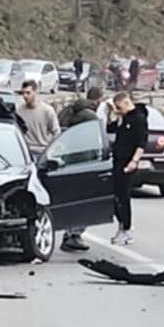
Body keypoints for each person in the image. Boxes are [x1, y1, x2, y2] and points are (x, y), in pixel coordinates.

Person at [58, 86, 105, 253]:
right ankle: (74, 234)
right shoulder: (91, 117)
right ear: (99, 100)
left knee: (71, 199)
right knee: (85, 200)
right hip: (85, 161)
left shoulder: (69, 111)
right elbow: (97, 141)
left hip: (68, 160)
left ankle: (68, 233)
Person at [106, 91, 148, 246]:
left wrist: (134, 161)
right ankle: (122, 226)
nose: (118, 110)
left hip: (128, 162)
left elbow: (141, 143)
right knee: (115, 196)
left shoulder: (139, 118)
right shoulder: (123, 118)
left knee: (123, 196)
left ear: (126, 103)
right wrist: (114, 114)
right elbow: (109, 128)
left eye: (119, 107)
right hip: (117, 161)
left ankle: (127, 228)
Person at [16, 79, 61, 155]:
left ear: (35, 92)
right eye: (23, 93)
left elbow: (56, 132)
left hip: (43, 151)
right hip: (26, 152)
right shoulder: (19, 111)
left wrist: (52, 150)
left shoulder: (47, 110)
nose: (25, 96)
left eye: (28, 93)